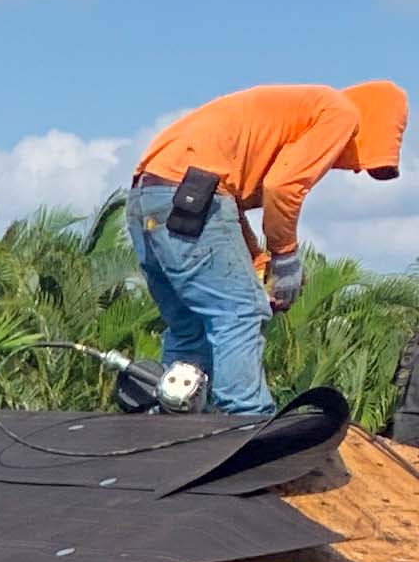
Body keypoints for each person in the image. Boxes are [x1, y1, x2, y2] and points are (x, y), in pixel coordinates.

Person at [128, 82, 405, 417]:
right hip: (191, 195)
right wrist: (284, 257)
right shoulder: (341, 113)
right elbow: (284, 186)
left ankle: (171, 418)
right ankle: (246, 419)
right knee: (240, 312)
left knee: (190, 325)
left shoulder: (294, 110)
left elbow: (225, 200)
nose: (356, 168)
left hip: (148, 197)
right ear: (380, 126)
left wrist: (258, 261)